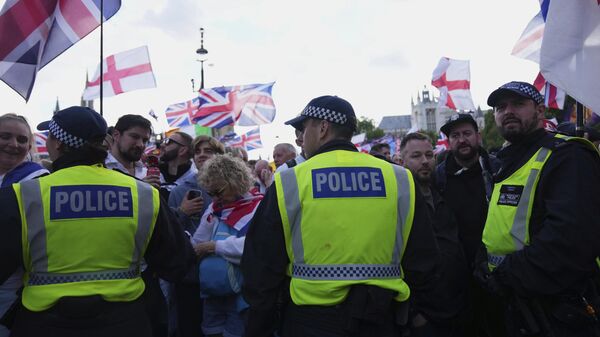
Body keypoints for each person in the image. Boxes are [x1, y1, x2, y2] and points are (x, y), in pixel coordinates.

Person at [242, 95, 439, 337]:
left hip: (310, 322)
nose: (302, 137)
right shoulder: (398, 178)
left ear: (323, 128)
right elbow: (424, 258)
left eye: (304, 128)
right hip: (382, 319)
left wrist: (260, 325)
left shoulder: (290, 180)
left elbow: (262, 263)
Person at [0, 106, 194, 337]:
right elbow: (178, 262)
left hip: (45, 323)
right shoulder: (143, 194)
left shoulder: (23, 195)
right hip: (125, 321)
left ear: (58, 143)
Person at [476, 81, 600, 337]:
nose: (508, 111)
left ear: (540, 111)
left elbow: (569, 240)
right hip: (518, 304)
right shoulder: (504, 161)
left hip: (559, 307)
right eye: (501, 107)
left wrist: (505, 276)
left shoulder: (567, 155)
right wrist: (484, 262)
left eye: (518, 104)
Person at [435, 113, 502, 337]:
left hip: (496, 273)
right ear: (449, 141)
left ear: (478, 136)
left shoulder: (497, 169)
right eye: (455, 135)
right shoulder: (439, 177)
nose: (462, 140)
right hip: (457, 278)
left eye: (467, 133)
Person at [399, 132, 468, 337]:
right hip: (424, 316)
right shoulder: (398, 202)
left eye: (429, 155)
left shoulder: (444, 194)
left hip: (457, 308)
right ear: (402, 161)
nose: (425, 161)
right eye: (416, 156)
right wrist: (413, 314)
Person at [191, 155, 263, 337]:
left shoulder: (259, 205)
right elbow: (198, 241)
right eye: (210, 194)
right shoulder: (215, 208)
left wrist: (214, 247)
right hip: (211, 292)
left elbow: (254, 247)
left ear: (235, 181)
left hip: (242, 293)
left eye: (219, 192)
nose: (215, 199)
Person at [168, 135, 225, 337]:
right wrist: (182, 212)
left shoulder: (233, 189)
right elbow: (170, 235)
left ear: (220, 156)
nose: (201, 155)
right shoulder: (180, 191)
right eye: (198, 151)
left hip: (223, 275)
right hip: (189, 276)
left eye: (207, 151)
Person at [0, 114, 49, 337]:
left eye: (21, 140)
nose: (13, 144)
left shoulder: (37, 180)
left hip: (11, 284)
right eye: (5, 136)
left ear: (29, 146)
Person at [159, 131, 197, 196]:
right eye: (164, 141)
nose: (162, 145)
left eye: (168, 142)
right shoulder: (152, 174)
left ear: (183, 150)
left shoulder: (194, 181)